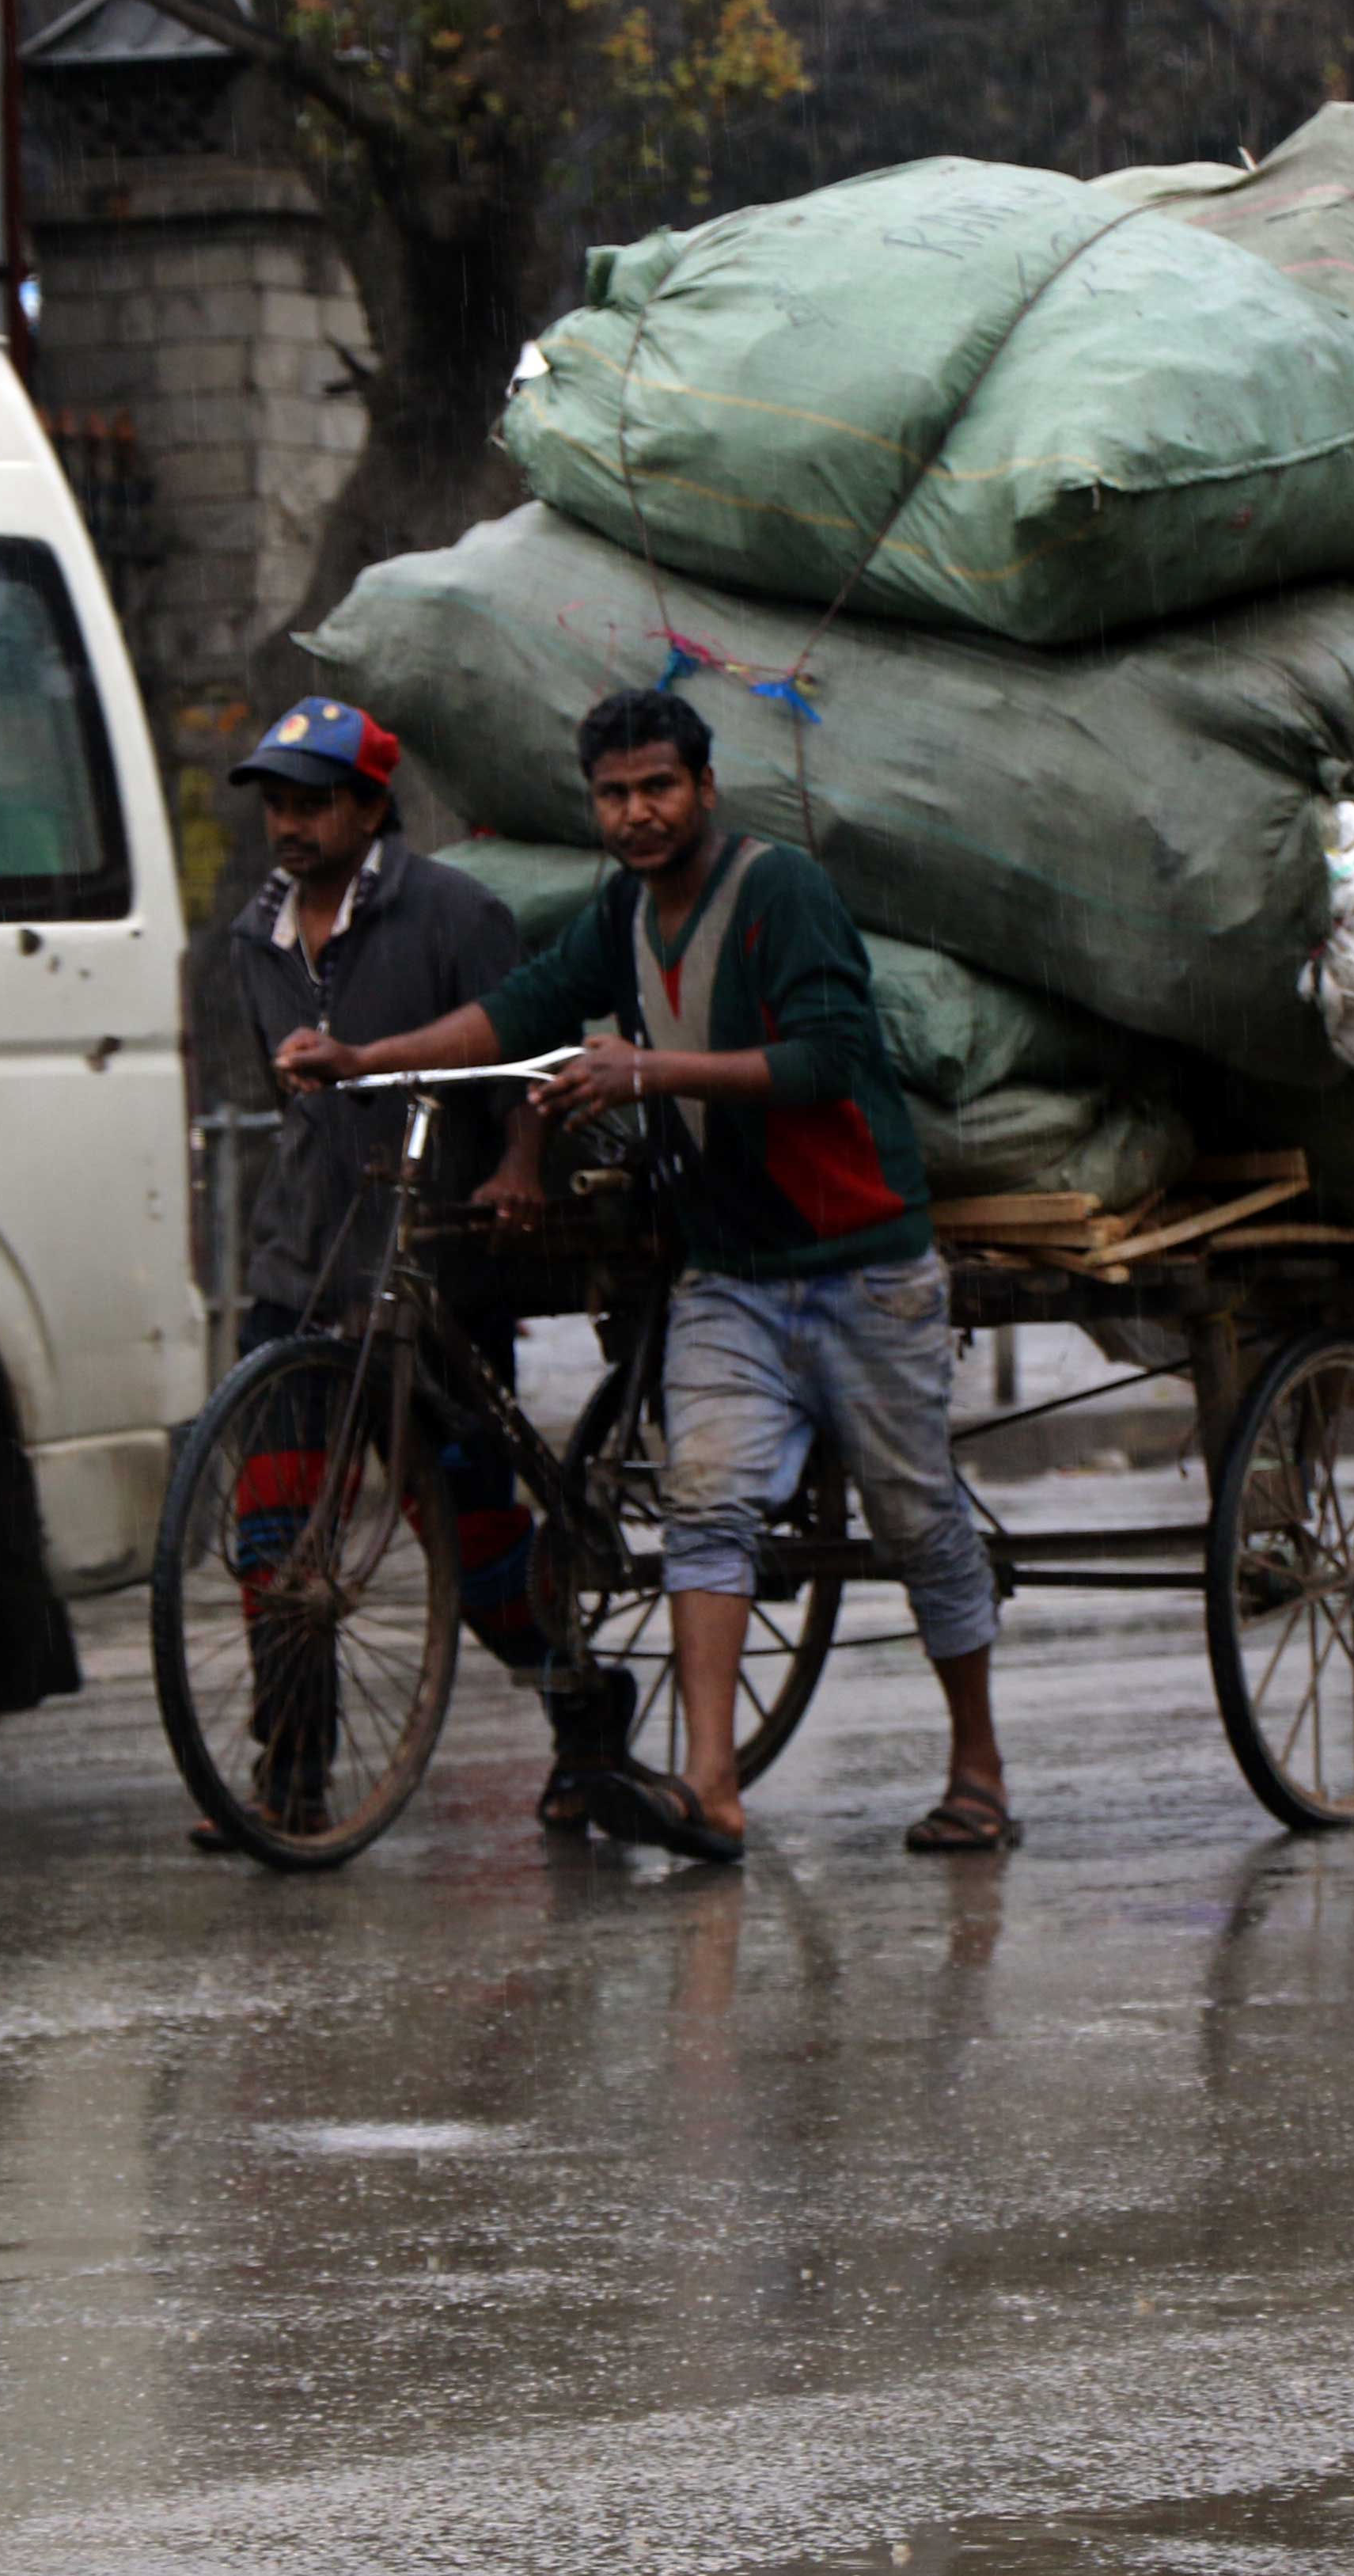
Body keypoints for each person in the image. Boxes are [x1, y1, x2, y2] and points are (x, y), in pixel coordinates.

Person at [278, 686, 1011, 1864]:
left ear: (706, 789)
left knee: (920, 1521)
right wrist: (369, 1055)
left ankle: (978, 1765)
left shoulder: (782, 892)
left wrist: (652, 1073)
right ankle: (712, 1789)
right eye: (615, 795)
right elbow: (518, 1012)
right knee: (705, 1508)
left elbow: (830, 1057)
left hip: (860, 1265)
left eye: (659, 787)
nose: (639, 814)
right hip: (728, 1274)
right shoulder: (621, 910)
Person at [217, 697, 626, 1838]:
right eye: (278, 805)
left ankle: (584, 1705)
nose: (290, 826)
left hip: (435, 1268)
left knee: (478, 1544)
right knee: (273, 1540)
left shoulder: (454, 914)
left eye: (313, 803)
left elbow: (534, 1056)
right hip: (303, 1264)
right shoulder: (252, 936)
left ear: (368, 807)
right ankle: (292, 1773)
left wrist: (520, 1164)